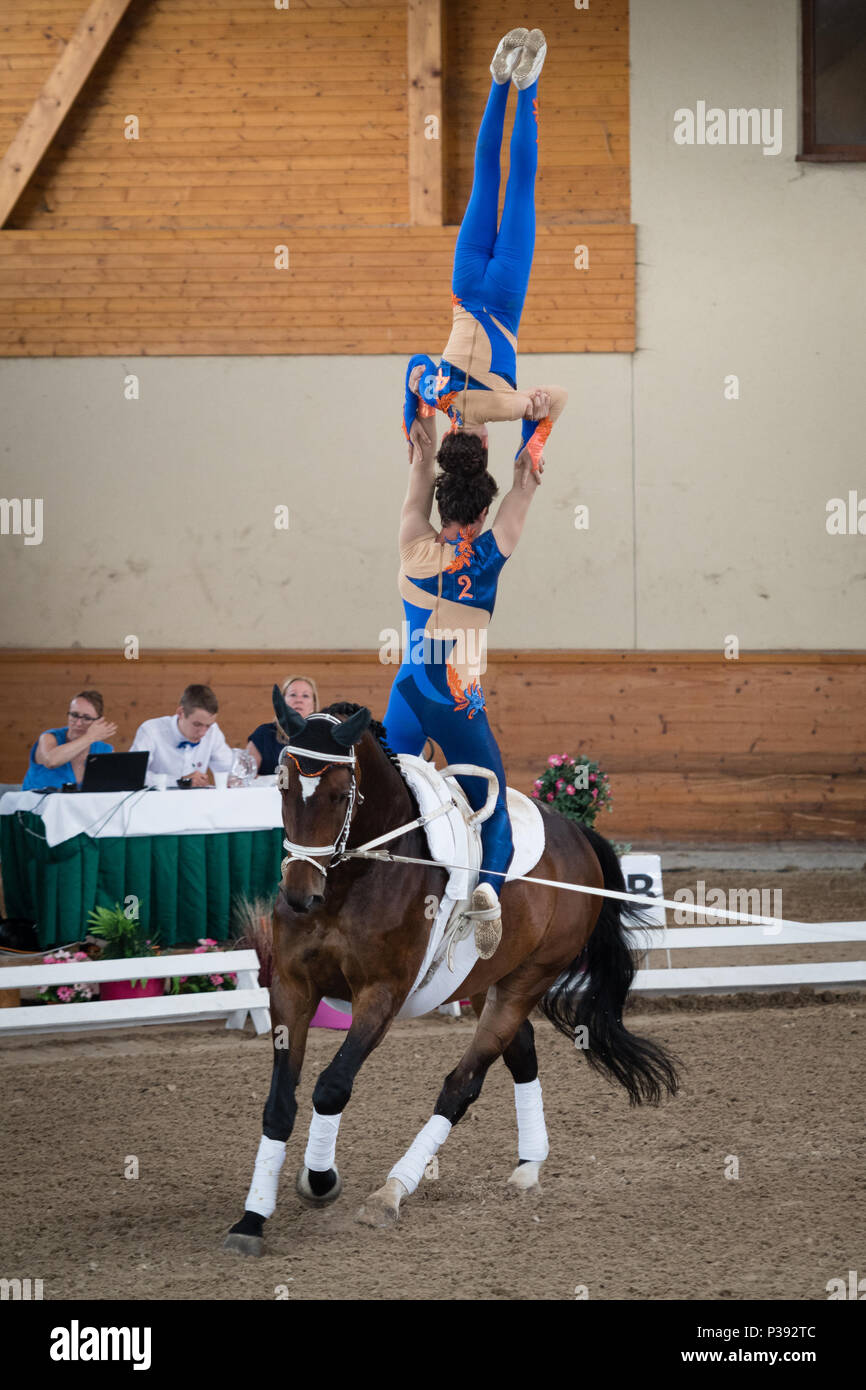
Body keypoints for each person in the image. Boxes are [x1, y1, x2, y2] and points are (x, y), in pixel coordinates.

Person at [383, 397, 544, 958]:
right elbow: (526, 481)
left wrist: (426, 430)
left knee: (383, 796)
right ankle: (487, 890)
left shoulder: (411, 542)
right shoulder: (491, 553)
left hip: (407, 693)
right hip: (456, 703)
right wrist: (535, 425)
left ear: (440, 506)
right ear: (480, 517)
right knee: (493, 806)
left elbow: (422, 468)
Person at [402, 27, 567, 474]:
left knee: (519, 188)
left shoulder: (503, 408)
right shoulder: (437, 395)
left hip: (503, 294)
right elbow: (415, 365)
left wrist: (533, 443)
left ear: (486, 447)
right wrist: (410, 413)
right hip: (466, 283)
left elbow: (558, 397)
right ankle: (498, 82)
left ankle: (527, 82)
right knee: (484, 178)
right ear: (451, 438)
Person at [129, 684, 233, 787]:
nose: (203, 733)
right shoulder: (151, 730)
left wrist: (235, 778)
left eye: (208, 726)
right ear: (180, 713)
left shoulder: (213, 732)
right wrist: (181, 781)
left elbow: (229, 768)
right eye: (197, 724)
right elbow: (133, 775)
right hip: (155, 801)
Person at [23, 690, 117, 790]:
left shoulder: (105, 750)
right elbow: (51, 761)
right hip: (36, 804)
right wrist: (90, 737)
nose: (78, 723)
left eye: (87, 718)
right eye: (74, 715)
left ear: (98, 721)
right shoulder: (49, 738)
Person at [246, 675, 320, 776]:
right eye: (293, 695)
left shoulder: (322, 737)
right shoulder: (264, 734)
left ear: (314, 705)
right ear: (282, 701)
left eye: (305, 696)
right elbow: (243, 777)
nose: (299, 700)